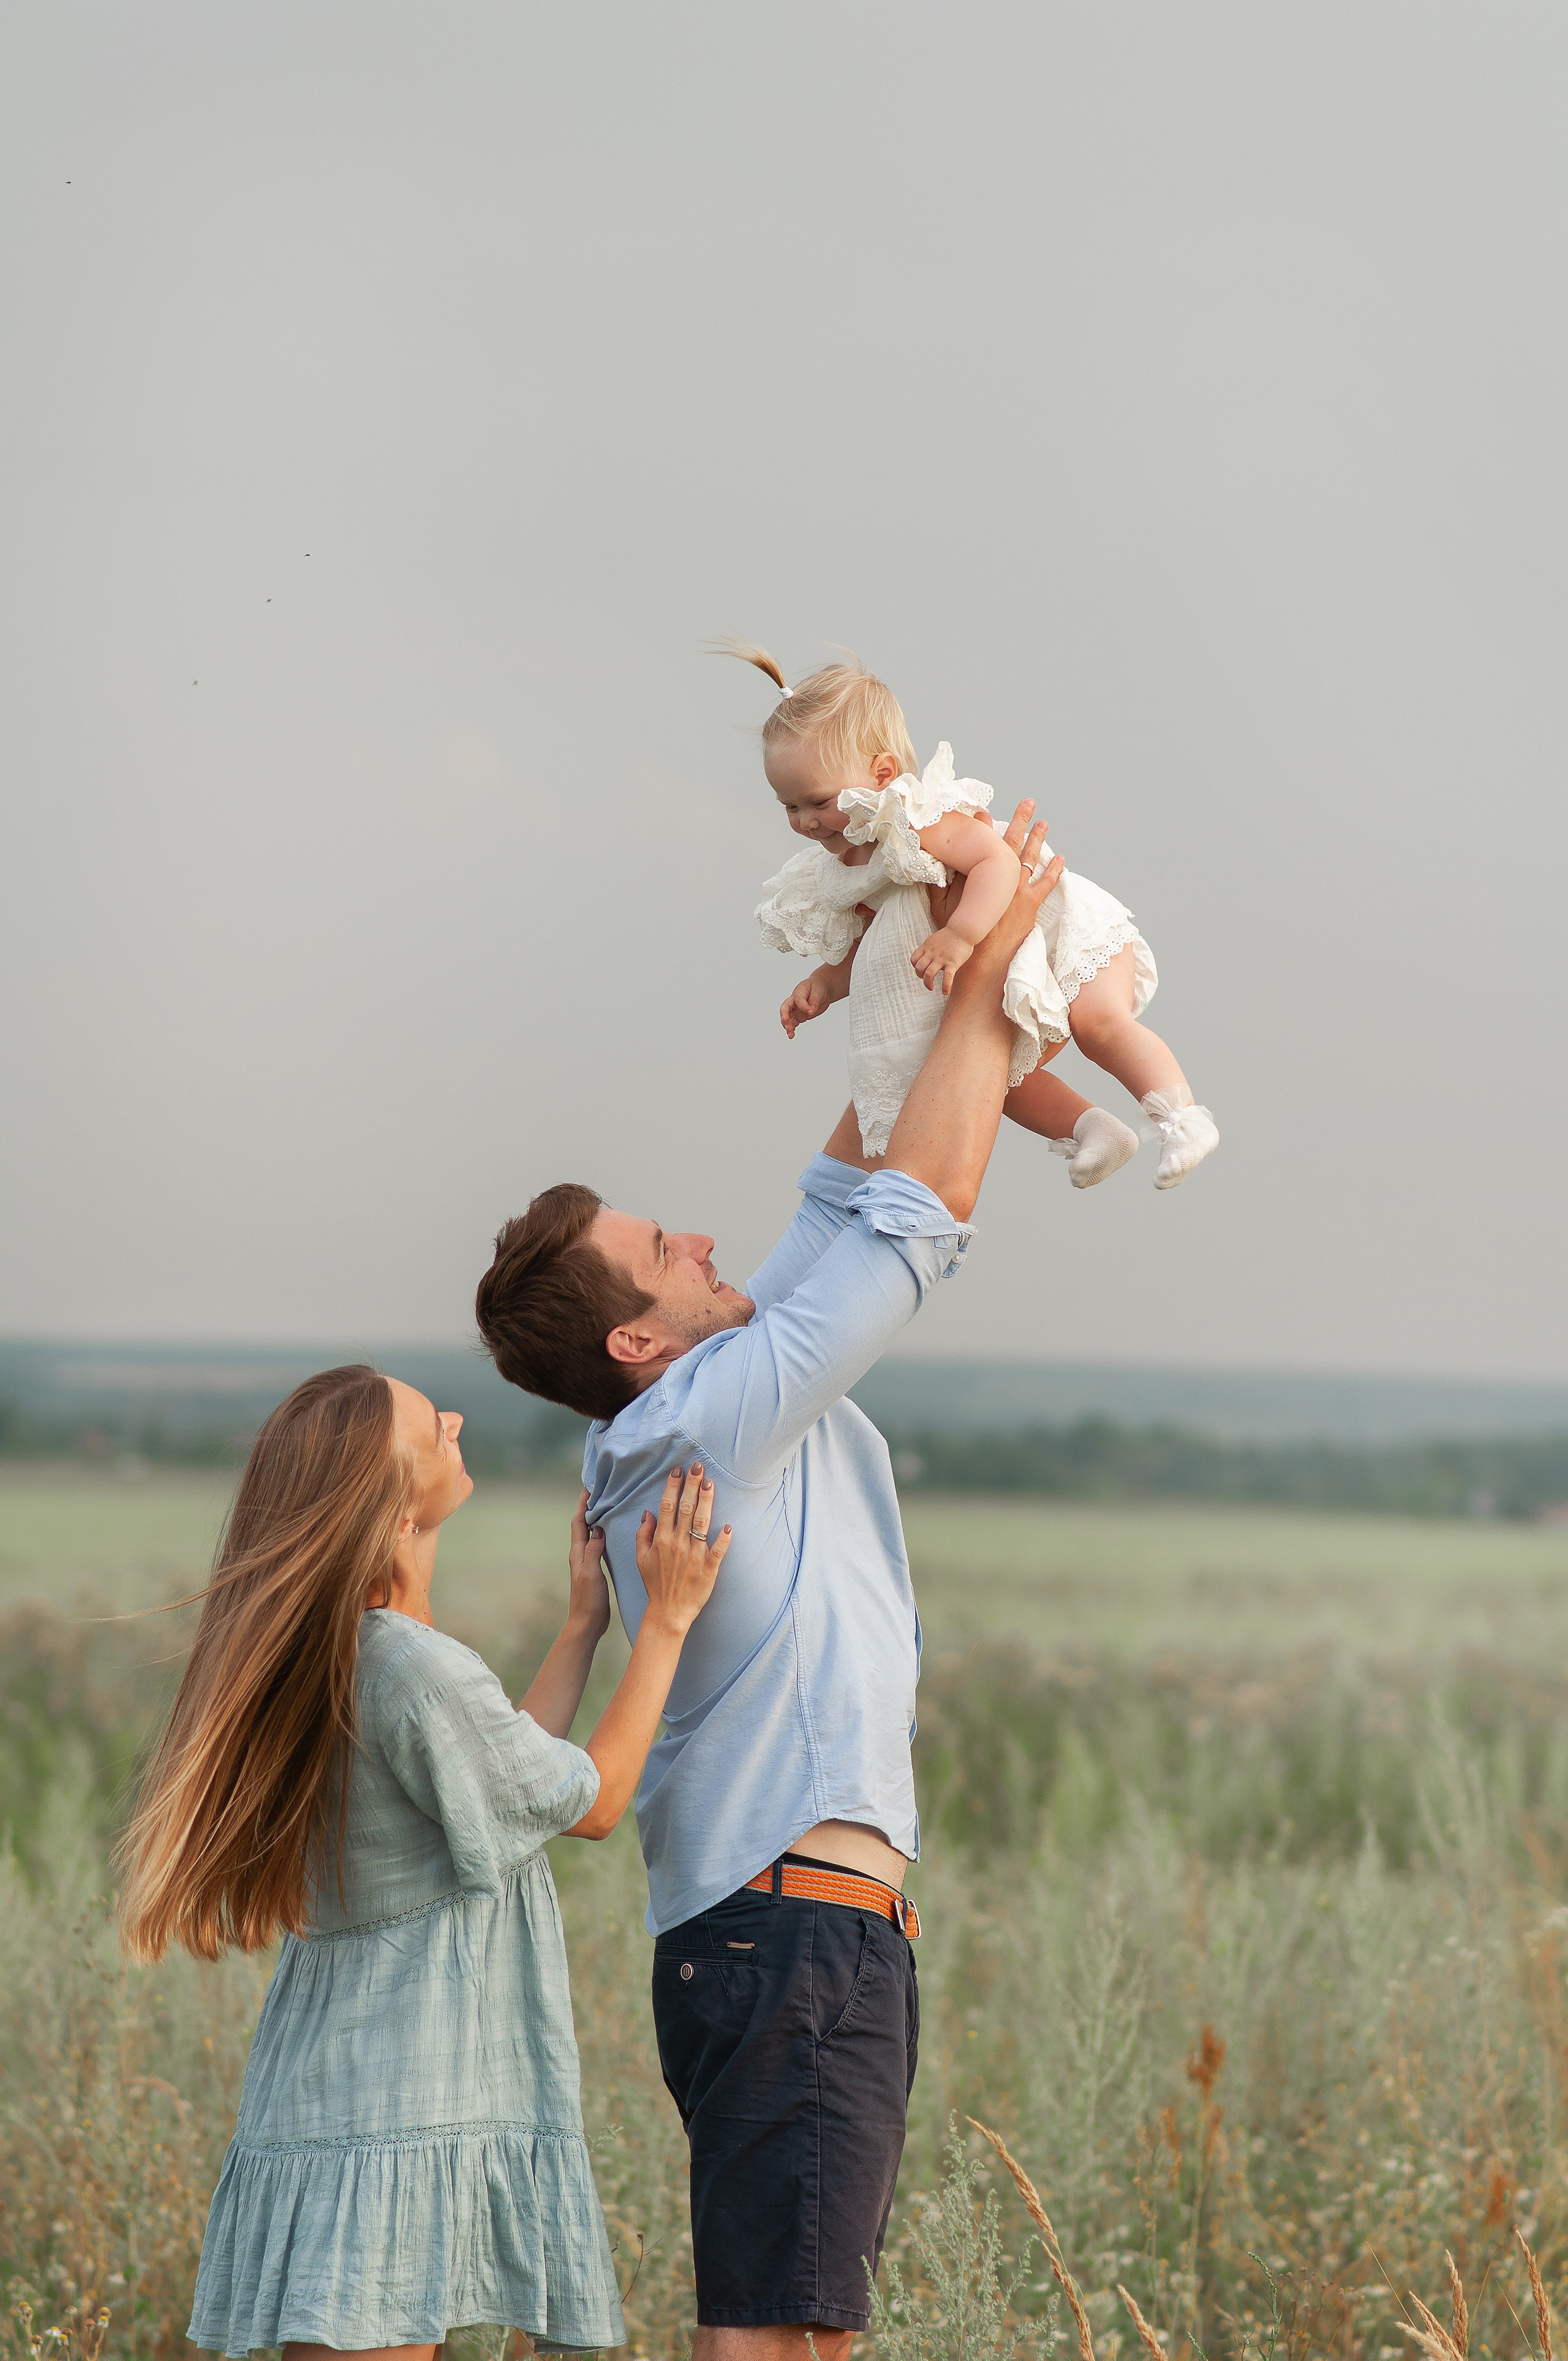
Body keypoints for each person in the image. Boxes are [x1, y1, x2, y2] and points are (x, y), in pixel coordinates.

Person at [472, 803, 1066, 2360]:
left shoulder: (704, 1396)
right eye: (663, 1248)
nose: (700, 1232)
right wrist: (996, 952)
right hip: (790, 1934)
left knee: (792, 2329)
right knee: (778, 2341)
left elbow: (848, 1177)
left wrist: (914, 943)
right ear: (634, 1343)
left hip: (789, 1933)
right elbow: (918, 1208)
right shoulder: (700, 1421)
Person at [116, 1361, 729, 2360]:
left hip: (345, 2091)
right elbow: (596, 1798)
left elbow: (504, 1779)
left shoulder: (361, 1651)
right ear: (391, 1495)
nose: (453, 1417)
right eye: (426, 1423)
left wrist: (583, 1625)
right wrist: (666, 1619)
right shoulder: (412, 1665)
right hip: (393, 2106)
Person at [734, 642, 1219, 1191]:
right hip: (1009, 961)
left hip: (1066, 937)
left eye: (817, 802)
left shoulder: (916, 821)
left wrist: (962, 935)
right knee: (995, 1075)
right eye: (789, 806)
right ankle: (1096, 1132)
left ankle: (1184, 1118)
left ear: (882, 773)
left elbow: (998, 863)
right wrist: (824, 983)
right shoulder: (854, 864)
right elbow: (878, 942)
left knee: (1099, 1025)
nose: (803, 822)